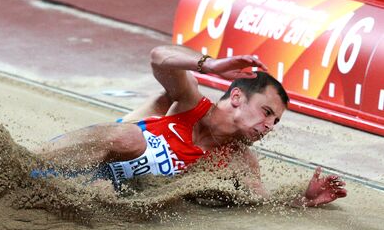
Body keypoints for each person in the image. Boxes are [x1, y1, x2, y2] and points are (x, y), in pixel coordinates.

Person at [34, 45, 347, 207]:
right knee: (133, 133)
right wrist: (208, 64)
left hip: (101, 191)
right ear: (237, 97)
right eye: (266, 112)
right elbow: (158, 57)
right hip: (85, 154)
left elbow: (259, 202)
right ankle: (26, 164)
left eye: (275, 121)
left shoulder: (239, 162)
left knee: (112, 192)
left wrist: (303, 199)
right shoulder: (191, 104)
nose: (269, 126)